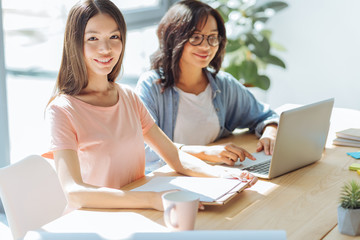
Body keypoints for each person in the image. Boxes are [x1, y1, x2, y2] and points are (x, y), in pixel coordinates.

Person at [45, 0, 257, 211]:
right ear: (74, 43)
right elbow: (74, 191)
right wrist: (152, 199)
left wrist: (222, 175)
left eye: (114, 37)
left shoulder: (128, 96)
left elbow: (173, 155)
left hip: (139, 211)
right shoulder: (62, 110)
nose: (106, 49)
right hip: (98, 218)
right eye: (93, 38)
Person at [135, 0, 279, 173]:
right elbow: (145, 148)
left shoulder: (223, 84)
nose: (206, 46)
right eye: (195, 37)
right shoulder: (151, 86)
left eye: (212, 37)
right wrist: (204, 153)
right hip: (171, 180)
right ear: (174, 38)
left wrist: (270, 133)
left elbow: (266, 116)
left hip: (217, 174)